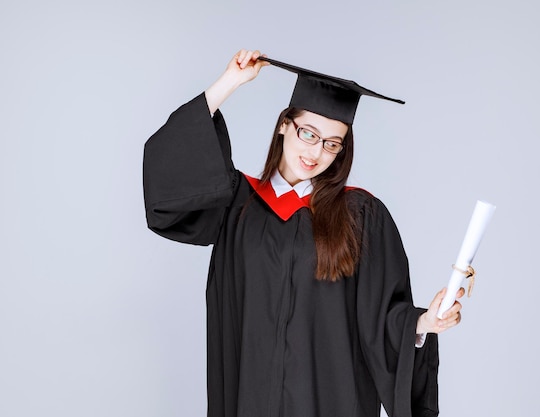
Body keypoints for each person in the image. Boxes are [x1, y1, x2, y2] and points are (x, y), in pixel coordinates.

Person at [143, 49, 464, 417]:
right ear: (284, 125)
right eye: (308, 133)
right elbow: (168, 192)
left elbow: (383, 316)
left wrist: (423, 323)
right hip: (250, 400)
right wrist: (229, 81)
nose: (316, 152)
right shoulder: (237, 205)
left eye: (332, 143)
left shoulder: (361, 216)